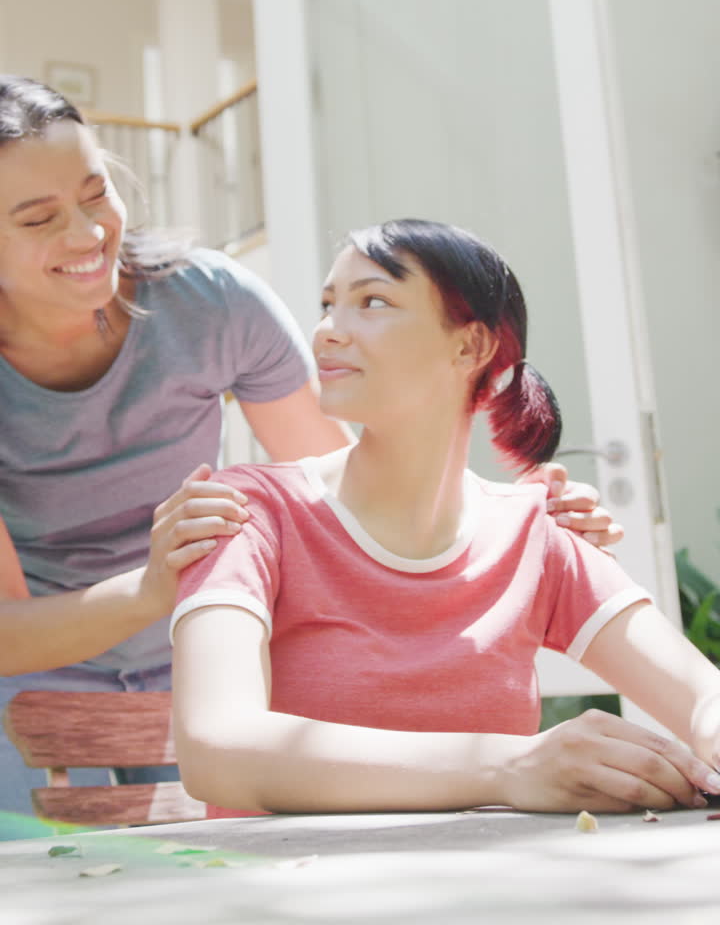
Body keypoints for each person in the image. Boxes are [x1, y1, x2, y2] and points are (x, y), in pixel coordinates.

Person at [0, 77, 616, 815]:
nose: (86, 233)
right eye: (39, 220)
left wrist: (505, 528)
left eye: (96, 193)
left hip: (214, 655)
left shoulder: (211, 303)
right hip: (42, 675)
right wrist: (153, 588)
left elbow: (344, 505)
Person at [172, 219, 720, 816]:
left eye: (371, 301)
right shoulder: (247, 512)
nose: (327, 331)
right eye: (328, 305)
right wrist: (509, 767)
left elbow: (702, 699)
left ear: (470, 347)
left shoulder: (537, 534)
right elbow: (216, 750)